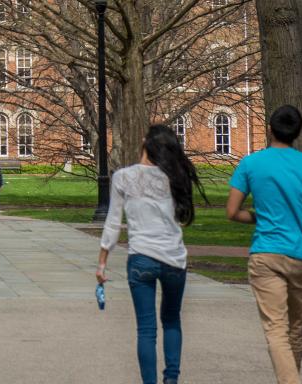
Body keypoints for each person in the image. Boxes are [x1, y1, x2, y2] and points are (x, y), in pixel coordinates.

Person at [226, 105, 302, 384]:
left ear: (269, 129)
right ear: (298, 133)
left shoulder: (251, 163)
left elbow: (232, 211)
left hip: (266, 252)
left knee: (276, 328)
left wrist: (258, 216)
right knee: (296, 328)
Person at [97, 125, 206, 384]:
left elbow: (113, 223)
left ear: (146, 144)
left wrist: (102, 262)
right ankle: (171, 379)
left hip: (141, 258)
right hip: (173, 259)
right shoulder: (176, 177)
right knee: (171, 321)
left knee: (146, 329)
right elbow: (181, 218)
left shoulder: (124, 177)